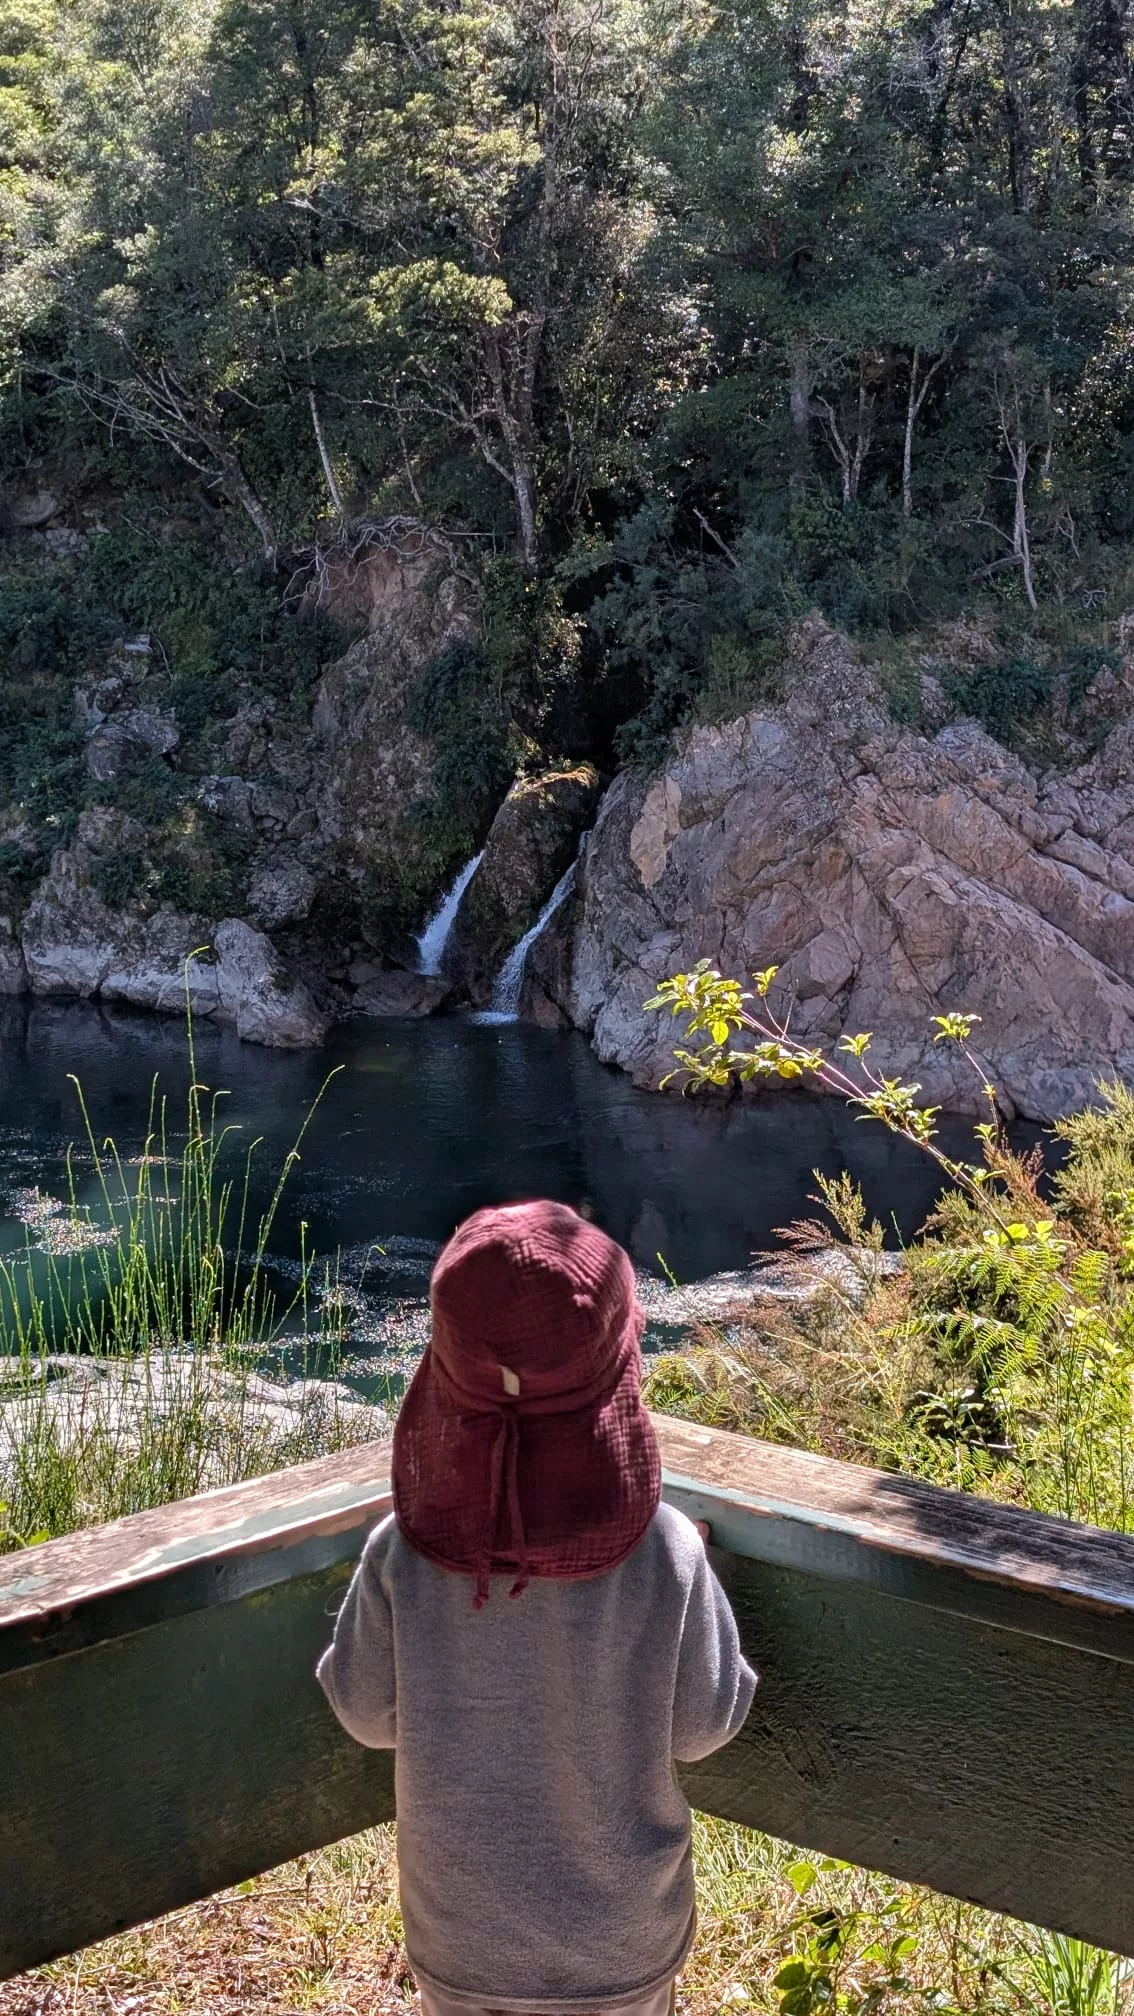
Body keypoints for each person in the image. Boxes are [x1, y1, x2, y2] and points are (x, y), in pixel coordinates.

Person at [317, 1198, 757, 2016]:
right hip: (620, 1943)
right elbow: (704, 1727)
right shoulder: (667, 1552)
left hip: (462, 1942)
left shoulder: (400, 1555)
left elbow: (366, 1713)